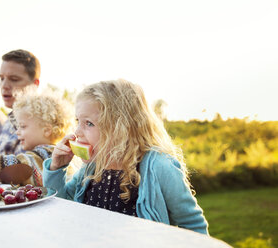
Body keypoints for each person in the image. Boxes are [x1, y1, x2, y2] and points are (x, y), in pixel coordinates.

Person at [43, 79, 209, 235]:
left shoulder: (159, 167)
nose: (77, 132)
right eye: (78, 121)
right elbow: (61, 208)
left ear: (120, 128)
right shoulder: (90, 170)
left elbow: (192, 224)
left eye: (89, 123)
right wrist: (56, 169)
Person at [0, 88, 73, 186]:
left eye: (23, 126)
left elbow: (10, 168)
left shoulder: (50, 155)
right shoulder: (41, 153)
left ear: (47, 130)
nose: (17, 132)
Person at [0, 49, 41, 155]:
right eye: (2, 78)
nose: (4, 86)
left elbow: (27, 166)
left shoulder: (41, 123)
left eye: (14, 79)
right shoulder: (9, 121)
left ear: (34, 84)